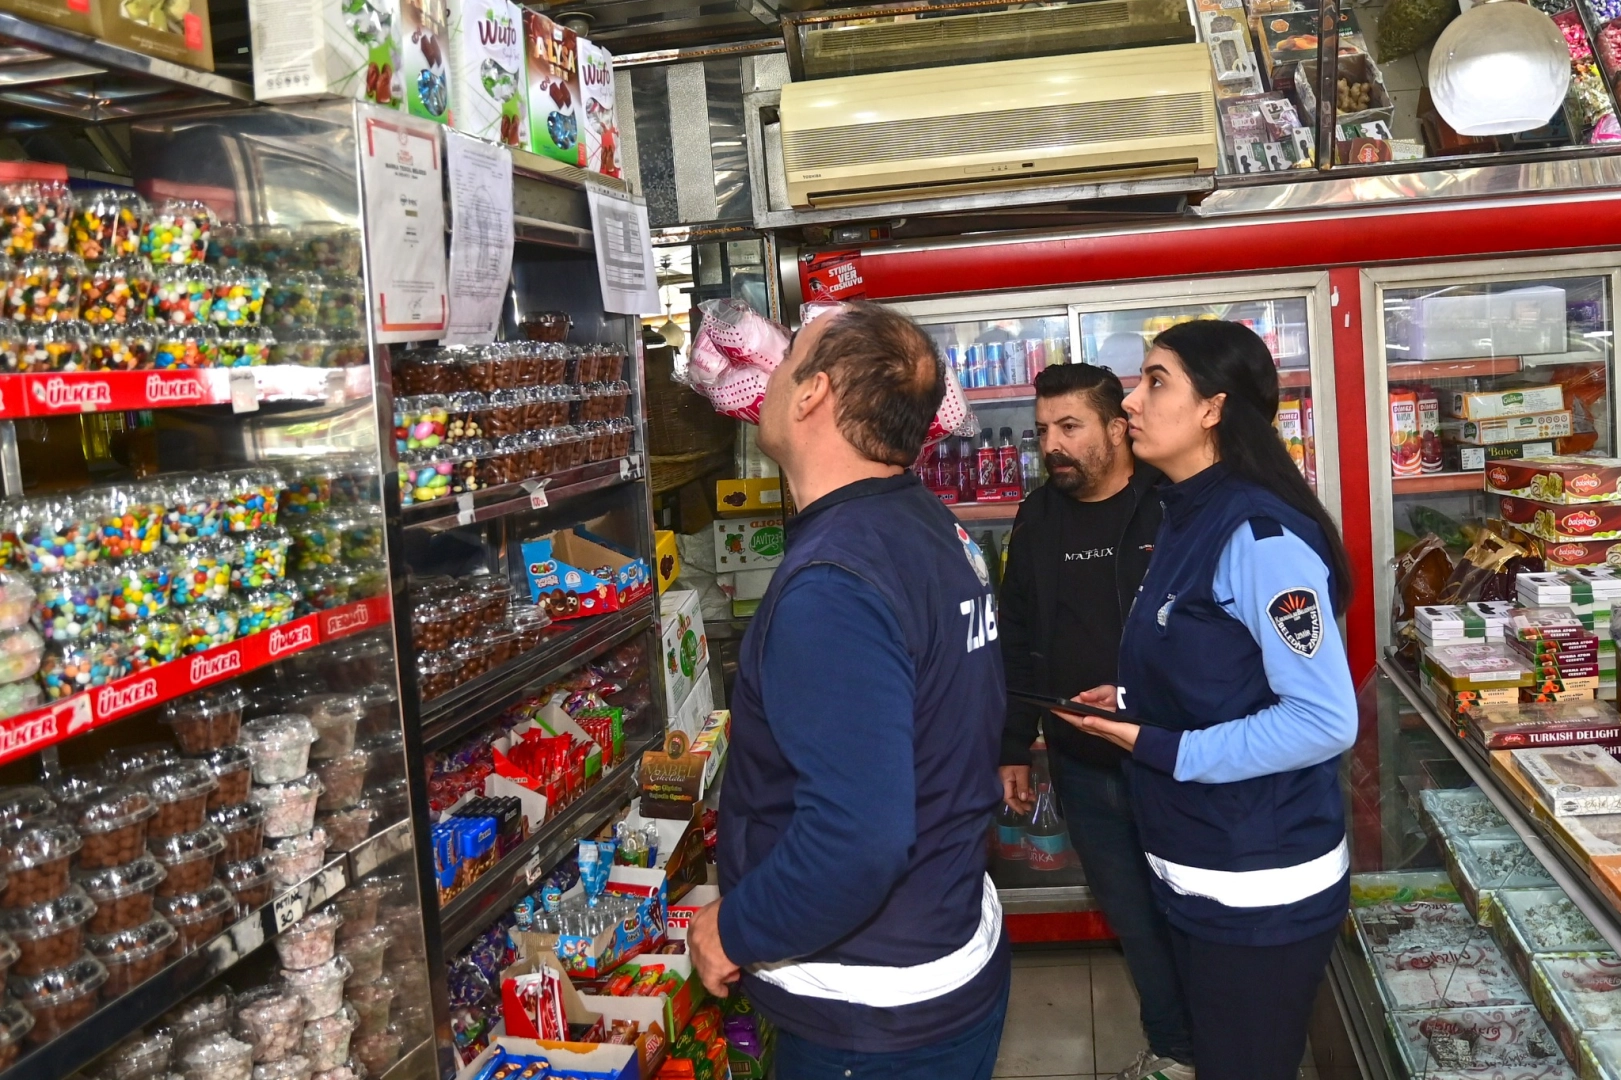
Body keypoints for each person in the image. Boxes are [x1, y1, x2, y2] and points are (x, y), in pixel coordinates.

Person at [686, 302, 1012, 1080]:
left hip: (869, 1010)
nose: (766, 375)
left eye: (788, 356)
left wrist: (735, 928)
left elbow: (859, 839)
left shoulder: (835, 583)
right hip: (944, 940)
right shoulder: (933, 527)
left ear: (810, 395)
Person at [1054, 319, 1358, 1080]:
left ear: (1213, 409)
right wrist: (1130, 696)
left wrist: (1158, 744)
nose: (1131, 399)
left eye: (1156, 381)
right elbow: (1217, 663)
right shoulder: (1182, 513)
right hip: (1196, 864)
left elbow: (1323, 719)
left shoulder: (1259, 536)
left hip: (1257, 882)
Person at [998, 363, 1193, 1080]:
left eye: (1069, 427)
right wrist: (1013, 743)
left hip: (1172, 758)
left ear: (1117, 427)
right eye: (1043, 429)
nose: (1052, 444)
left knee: (1192, 917)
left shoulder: (1172, 505)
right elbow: (1015, 631)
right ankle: (1175, 1053)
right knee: (1135, 925)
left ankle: (1225, 1046)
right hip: (1082, 765)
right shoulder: (1037, 515)